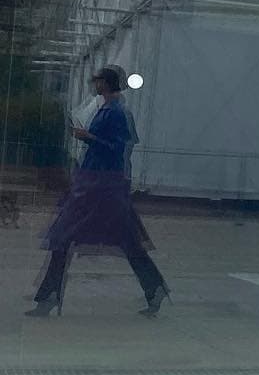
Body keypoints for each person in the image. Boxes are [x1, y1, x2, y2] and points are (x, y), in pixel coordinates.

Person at [26, 66, 169, 317]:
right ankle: (154, 288)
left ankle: (49, 297)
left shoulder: (115, 112)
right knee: (123, 240)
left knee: (67, 237)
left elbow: (117, 148)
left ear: (106, 83)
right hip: (97, 184)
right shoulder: (108, 109)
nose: (95, 85)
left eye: (99, 81)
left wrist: (88, 137)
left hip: (99, 186)